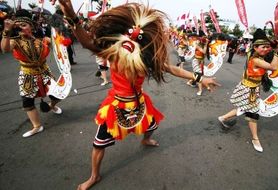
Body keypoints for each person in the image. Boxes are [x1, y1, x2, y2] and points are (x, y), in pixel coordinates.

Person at [51, 1, 220, 189]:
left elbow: (174, 69)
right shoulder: (112, 54)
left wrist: (200, 77)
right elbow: (86, 42)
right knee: (99, 144)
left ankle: (146, 139)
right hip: (116, 105)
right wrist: (72, 15)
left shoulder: (146, 59)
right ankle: (94, 176)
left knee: (152, 124)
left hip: (139, 103)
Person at [1, 9, 62, 138]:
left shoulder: (42, 39)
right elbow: (5, 49)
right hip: (27, 74)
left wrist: (60, 34)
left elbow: (59, 43)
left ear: (31, 26)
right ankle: (37, 126)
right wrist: (6, 32)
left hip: (44, 71)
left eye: (23, 25)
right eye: (18, 26)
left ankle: (51, 106)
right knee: (27, 102)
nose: (20, 28)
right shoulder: (15, 41)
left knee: (58, 94)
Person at [218, 29, 278, 153]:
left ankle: (223, 118)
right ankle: (255, 138)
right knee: (252, 114)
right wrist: (276, 52)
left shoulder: (253, 54)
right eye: (263, 47)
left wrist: (272, 49)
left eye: (267, 47)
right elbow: (274, 67)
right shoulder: (256, 59)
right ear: (255, 47)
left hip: (251, 88)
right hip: (249, 90)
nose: (266, 49)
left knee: (242, 109)